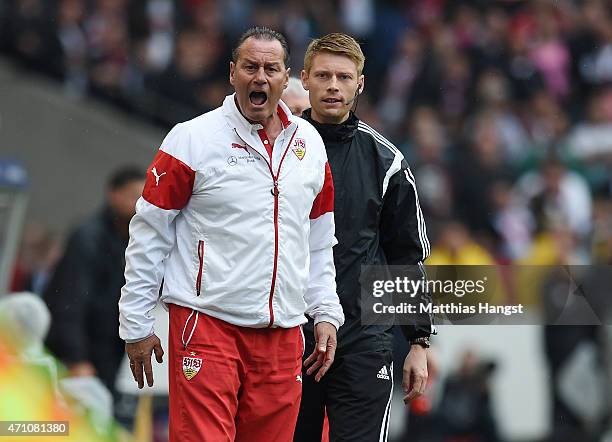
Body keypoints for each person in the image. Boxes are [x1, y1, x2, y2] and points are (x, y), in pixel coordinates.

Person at [118, 26, 344, 442]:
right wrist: (136, 323)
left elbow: (317, 241)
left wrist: (326, 310)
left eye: (271, 68)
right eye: (250, 66)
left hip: (283, 335)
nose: (260, 77)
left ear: (287, 76)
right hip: (207, 326)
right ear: (231, 73)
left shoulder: (310, 144)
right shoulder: (191, 139)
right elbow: (149, 234)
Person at [294, 33, 434, 442]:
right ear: (304, 80)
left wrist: (418, 340)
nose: (333, 85)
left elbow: (405, 255)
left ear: (361, 84)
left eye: (343, 76)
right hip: (288, 336)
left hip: (363, 339)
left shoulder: (386, 160)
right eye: (323, 75)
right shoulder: (276, 150)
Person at [44, 167, 145, 396]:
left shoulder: (134, 240)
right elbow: (70, 300)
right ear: (114, 194)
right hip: (76, 359)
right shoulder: (88, 237)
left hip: (108, 357)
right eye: (134, 197)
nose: (140, 205)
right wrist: (76, 357)